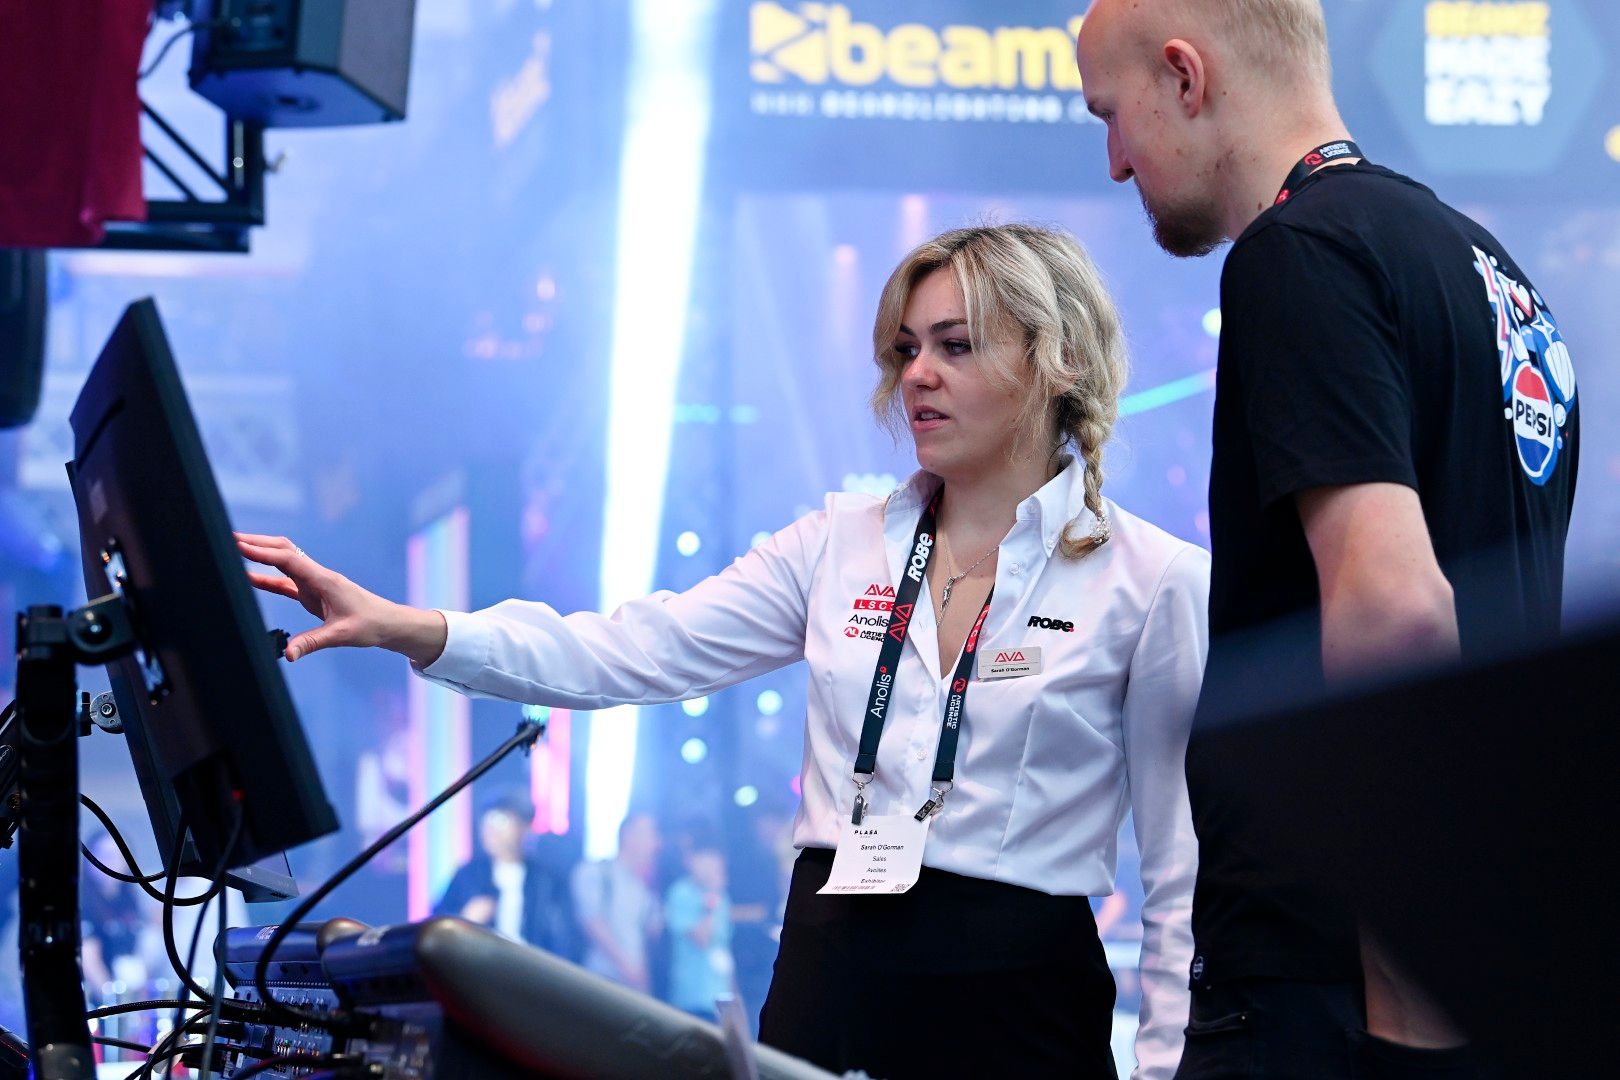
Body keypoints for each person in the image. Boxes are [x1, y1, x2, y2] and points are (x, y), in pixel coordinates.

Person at [236, 222, 1210, 1079]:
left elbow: (1183, 874)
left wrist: (1169, 1069)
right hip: (831, 975)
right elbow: (629, 649)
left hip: (1025, 999)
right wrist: (413, 625)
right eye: (906, 347)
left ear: (1060, 361)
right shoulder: (837, 541)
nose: (916, 373)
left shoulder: (1153, 579)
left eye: (955, 346)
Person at [1075, 1, 1580, 1075]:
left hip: (1335, 988)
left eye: (1111, 115)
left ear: (1185, 75)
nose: (1116, 162)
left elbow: (1396, 615)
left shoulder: (1296, 253)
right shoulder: (1495, 274)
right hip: (1480, 954)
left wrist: (1405, 1005)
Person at [432, 788, 576, 955]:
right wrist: (463, 921)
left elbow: (565, 939)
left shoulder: (546, 881)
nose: (491, 830)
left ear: (525, 827)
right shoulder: (468, 875)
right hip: (480, 967)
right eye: (486, 821)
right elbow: (435, 925)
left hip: (533, 970)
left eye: (501, 821)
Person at [569, 811, 663, 993]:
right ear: (628, 835)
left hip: (634, 989)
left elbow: (650, 934)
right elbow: (591, 922)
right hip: (599, 982)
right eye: (651, 834)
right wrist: (626, 966)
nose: (657, 844)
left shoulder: (644, 891)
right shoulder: (595, 872)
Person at [664, 833, 733, 1020]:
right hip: (691, 999)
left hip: (720, 999)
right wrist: (711, 898)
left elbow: (724, 950)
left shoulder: (722, 898)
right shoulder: (680, 893)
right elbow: (702, 939)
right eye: (705, 858)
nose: (711, 865)